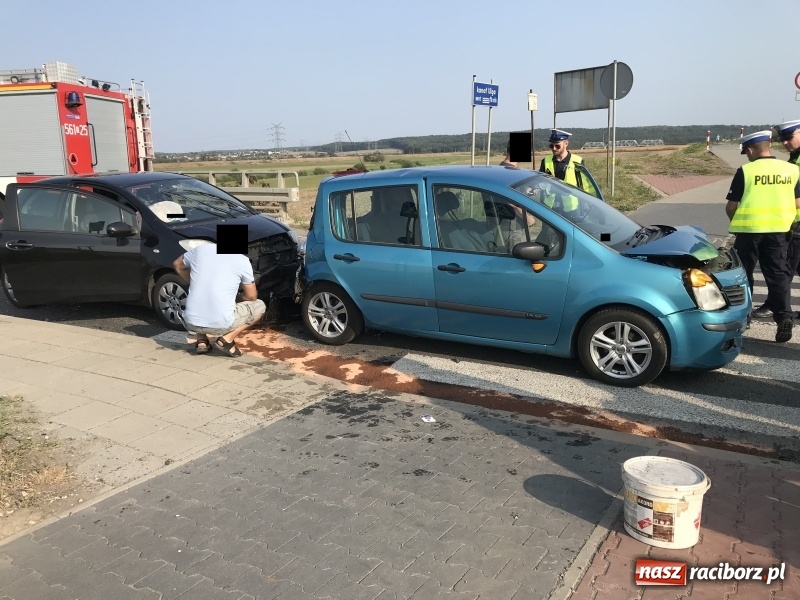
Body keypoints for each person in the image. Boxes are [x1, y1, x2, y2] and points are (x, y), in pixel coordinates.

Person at [725, 130, 800, 343]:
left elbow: (731, 206)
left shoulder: (746, 171)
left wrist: (735, 222)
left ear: (750, 150)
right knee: (778, 274)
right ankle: (784, 316)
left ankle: (745, 316)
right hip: (779, 232)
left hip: (748, 232)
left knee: (744, 274)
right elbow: (798, 203)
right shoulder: (791, 170)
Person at [172, 242, 266, 356]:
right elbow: (251, 296)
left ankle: (202, 341)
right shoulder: (242, 260)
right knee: (259, 306)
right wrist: (235, 298)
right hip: (220, 325)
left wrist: (193, 284)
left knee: (201, 297)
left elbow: (177, 264)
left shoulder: (201, 249)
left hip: (190, 322)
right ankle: (226, 340)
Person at [774, 119, 800, 318]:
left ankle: (778, 308)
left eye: (789, 138)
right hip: (794, 222)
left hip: (797, 223)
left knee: (784, 268)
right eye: (782, 139)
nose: (784, 143)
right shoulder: (794, 159)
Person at [538, 129, 595, 212]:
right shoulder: (545, 161)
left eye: (557, 146)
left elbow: (585, 185)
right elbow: (540, 181)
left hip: (572, 208)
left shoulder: (577, 161)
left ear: (566, 144)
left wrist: (590, 203)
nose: (554, 148)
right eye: (551, 146)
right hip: (550, 207)